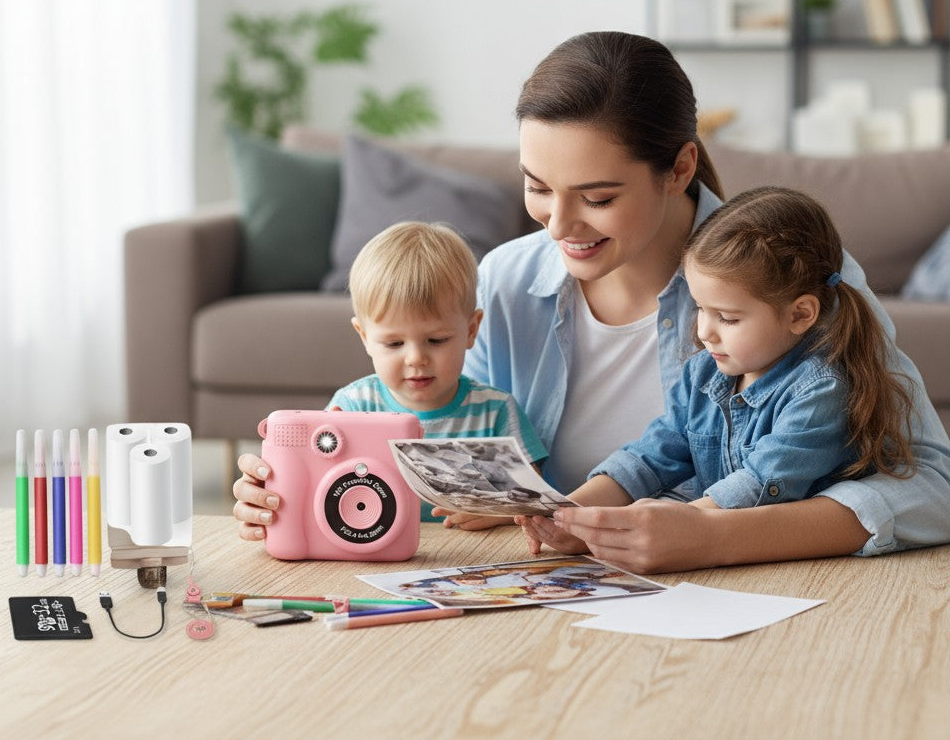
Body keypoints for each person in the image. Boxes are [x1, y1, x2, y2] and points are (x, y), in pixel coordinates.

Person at [234, 31, 950, 570]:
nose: (557, 226)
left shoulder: (796, 280)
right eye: (537, 187)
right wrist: (298, 488)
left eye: (598, 198)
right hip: (567, 587)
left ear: (681, 167)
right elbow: (419, 437)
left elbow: (933, 485)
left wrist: (717, 536)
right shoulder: (506, 284)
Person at [520, 185, 914, 550]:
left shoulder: (821, 390)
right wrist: (570, 512)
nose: (705, 332)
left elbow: (761, 483)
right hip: (717, 558)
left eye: (727, 317)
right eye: (700, 309)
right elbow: (653, 455)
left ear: (800, 314)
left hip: (802, 566)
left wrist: (679, 526)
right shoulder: (703, 374)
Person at [305, 221, 545, 528]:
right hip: (374, 550)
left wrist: (498, 511)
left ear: (471, 330)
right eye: (394, 343)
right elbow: (318, 485)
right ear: (364, 337)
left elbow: (533, 494)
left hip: (470, 553)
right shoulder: (353, 407)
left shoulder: (495, 410)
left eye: (437, 340)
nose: (416, 358)